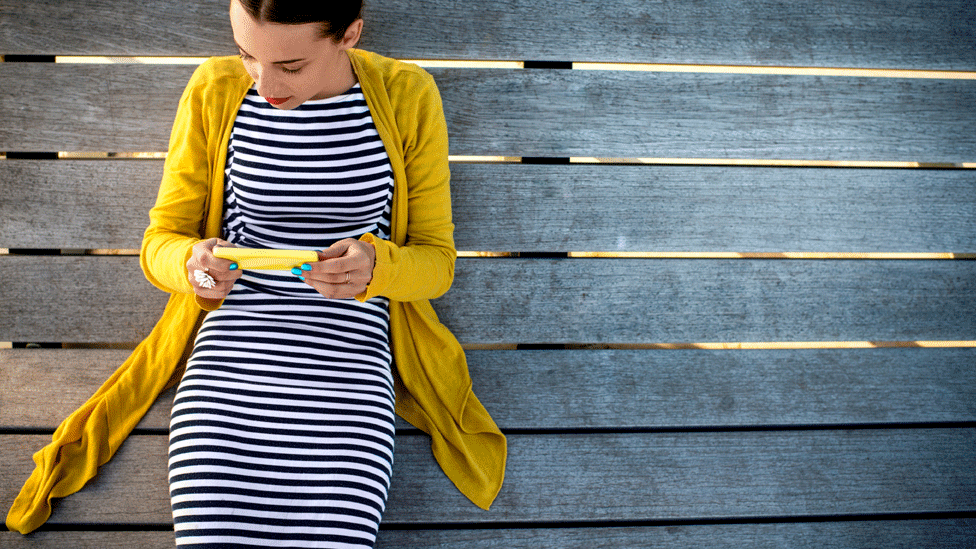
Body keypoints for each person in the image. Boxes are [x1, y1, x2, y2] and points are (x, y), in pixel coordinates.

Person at [6, 1, 506, 546]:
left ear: (350, 34)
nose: (265, 82)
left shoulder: (407, 96)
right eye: (247, 54)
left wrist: (377, 269)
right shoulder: (215, 88)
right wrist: (192, 265)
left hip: (349, 366)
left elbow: (436, 263)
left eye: (290, 66)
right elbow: (160, 243)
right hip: (229, 364)